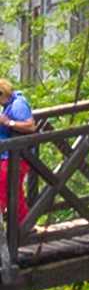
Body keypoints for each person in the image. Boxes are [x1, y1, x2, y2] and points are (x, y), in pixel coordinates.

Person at [0, 86, 35, 247]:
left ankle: (20, 227)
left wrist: (8, 122)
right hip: (8, 156)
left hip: (18, 157)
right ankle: (24, 226)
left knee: (4, 188)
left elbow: (30, 126)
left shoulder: (17, 104)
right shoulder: (7, 106)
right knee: (15, 191)